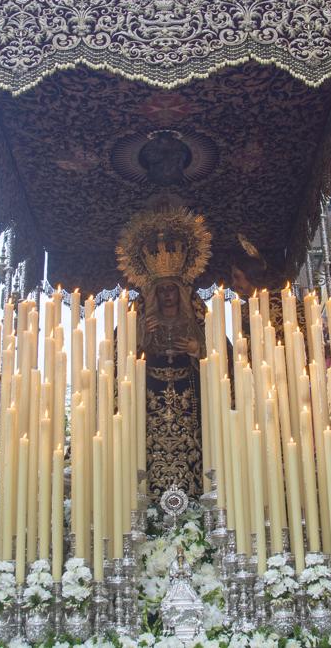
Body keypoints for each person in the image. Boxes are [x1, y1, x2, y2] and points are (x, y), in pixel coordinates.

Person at [117, 204, 212, 501]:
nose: (168, 294)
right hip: (150, 403)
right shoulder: (138, 319)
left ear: (180, 291)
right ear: (154, 293)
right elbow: (118, 363)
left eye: (172, 288)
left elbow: (225, 363)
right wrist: (141, 338)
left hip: (189, 404)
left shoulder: (196, 318)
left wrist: (199, 351)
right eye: (162, 290)